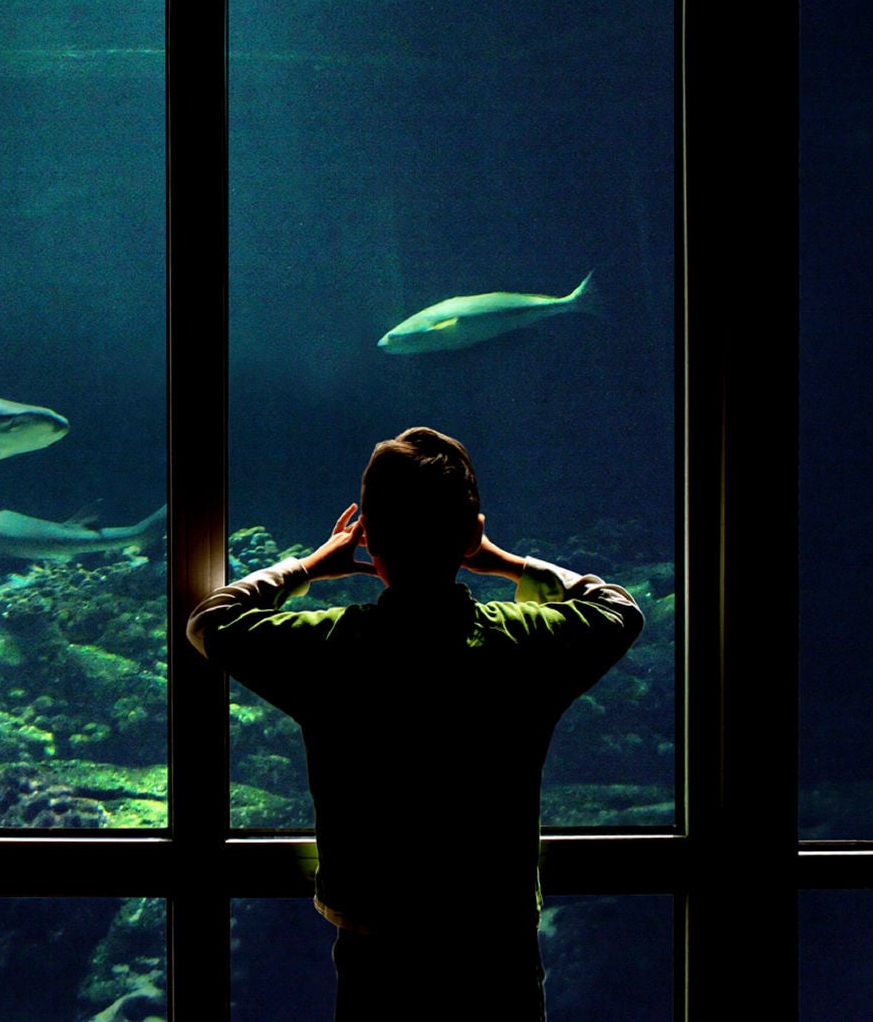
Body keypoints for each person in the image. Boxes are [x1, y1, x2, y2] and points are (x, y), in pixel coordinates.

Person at [180, 427, 643, 1020]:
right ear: (471, 534)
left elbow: (210, 621)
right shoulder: (521, 643)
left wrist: (309, 568)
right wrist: (505, 562)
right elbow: (618, 609)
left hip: (378, 951)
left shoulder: (334, 647)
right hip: (496, 950)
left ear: (368, 538)